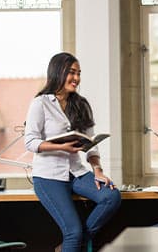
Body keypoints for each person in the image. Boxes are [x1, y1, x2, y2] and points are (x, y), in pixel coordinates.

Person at [24, 52, 121, 251]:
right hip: (48, 177)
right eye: (71, 73)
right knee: (72, 232)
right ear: (57, 72)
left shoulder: (81, 104)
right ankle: (75, 241)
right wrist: (61, 147)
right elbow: (31, 142)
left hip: (76, 172)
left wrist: (97, 170)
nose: (76, 78)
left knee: (111, 197)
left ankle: (77, 243)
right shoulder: (40, 103)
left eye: (78, 73)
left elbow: (91, 143)